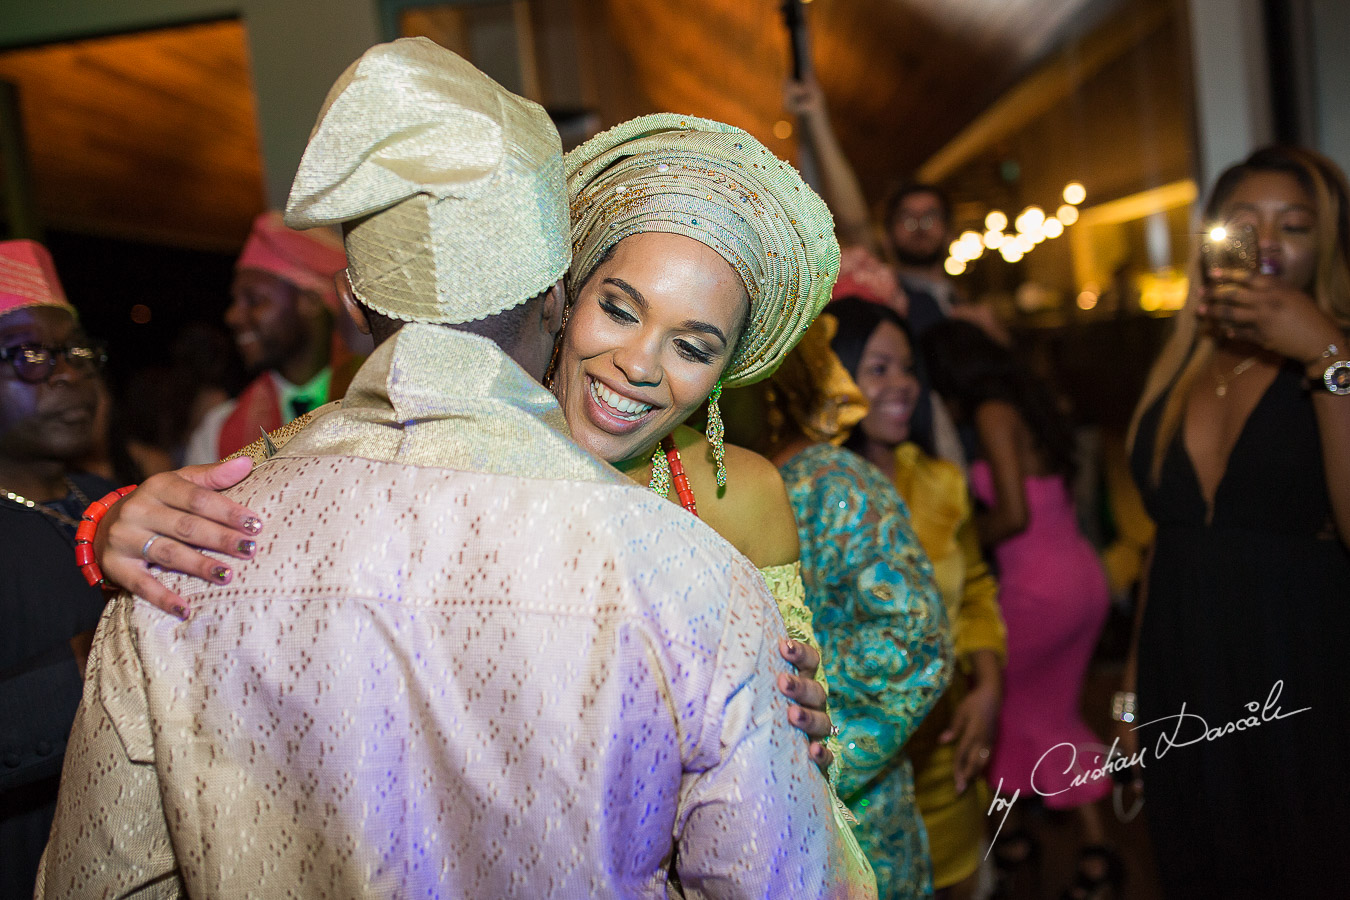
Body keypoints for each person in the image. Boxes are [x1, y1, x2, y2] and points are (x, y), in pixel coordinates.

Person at [38, 39, 869, 899]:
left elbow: (784, 801)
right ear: (562, 296)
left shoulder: (737, 505)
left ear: (727, 371)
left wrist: (794, 728)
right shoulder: (312, 456)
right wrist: (116, 530)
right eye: (619, 309)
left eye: (693, 346)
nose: (640, 365)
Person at [1124, 145, 1350, 898]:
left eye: (1297, 225)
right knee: (1200, 863)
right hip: (1185, 673)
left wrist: (1328, 355)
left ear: (1329, 243)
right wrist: (1130, 696)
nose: (1273, 243)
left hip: (1306, 668)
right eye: (1247, 224)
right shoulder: (1183, 363)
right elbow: (1167, 543)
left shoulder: (1341, 353)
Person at [725, 316, 953, 900]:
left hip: (855, 826)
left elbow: (915, 639)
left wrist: (812, 750)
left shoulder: (835, 482)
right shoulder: (718, 483)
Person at [921, 319, 1117, 899]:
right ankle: (1097, 858)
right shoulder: (1033, 402)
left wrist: (951, 541)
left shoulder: (993, 414)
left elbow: (1012, 515)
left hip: (1037, 589)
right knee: (1056, 718)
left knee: (1001, 715)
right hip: (1081, 572)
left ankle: (1011, 849)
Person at [828, 297, 1006, 900]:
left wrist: (988, 686)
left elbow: (978, 591)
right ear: (836, 375)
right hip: (859, 774)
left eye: (907, 368)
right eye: (877, 368)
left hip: (950, 749)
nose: (901, 384)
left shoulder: (941, 483)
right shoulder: (813, 494)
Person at [0, 239, 113, 897]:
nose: (68, 373)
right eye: (30, 355)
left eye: (74, 353)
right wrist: (93, 667)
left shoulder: (116, 499)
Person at [181, 210, 352, 464]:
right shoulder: (219, 429)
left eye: (254, 300)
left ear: (311, 302)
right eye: (235, 301)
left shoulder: (377, 406)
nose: (232, 316)